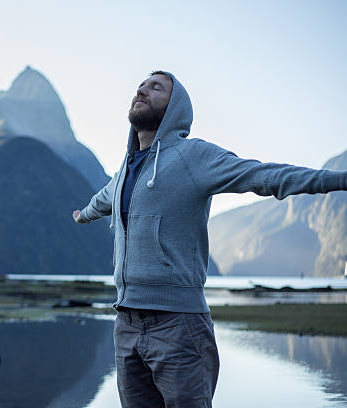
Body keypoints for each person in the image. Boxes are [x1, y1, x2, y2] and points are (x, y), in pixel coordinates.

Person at [72, 71, 347, 408]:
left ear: (174, 108)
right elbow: (104, 199)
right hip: (125, 325)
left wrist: (338, 180)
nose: (142, 89)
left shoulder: (194, 157)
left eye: (155, 87)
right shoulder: (125, 171)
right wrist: (84, 213)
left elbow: (262, 175)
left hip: (178, 327)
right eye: (141, 86)